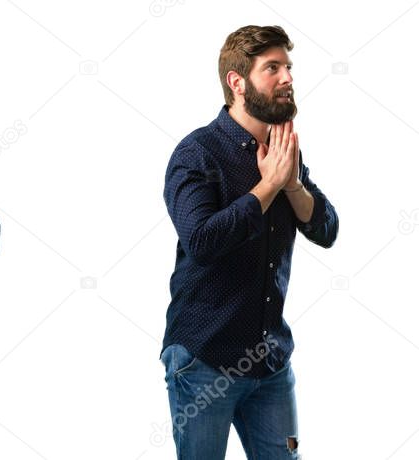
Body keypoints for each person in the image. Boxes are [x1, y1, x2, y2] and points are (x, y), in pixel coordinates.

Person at [161, 25, 338, 459]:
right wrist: (267, 187)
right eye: (272, 68)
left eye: (289, 68)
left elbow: (327, 229)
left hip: (270, 361)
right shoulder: (197, 153)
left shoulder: (284, 153)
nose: (288, 78)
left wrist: (291, 185)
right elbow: (202, 239)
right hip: (204, 360)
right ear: (236, 82)